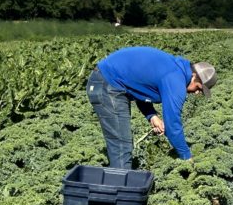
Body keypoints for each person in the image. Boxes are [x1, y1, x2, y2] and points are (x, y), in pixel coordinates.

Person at [87, 46, 217, 169]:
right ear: (193, 76)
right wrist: (186, 156)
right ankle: (119, 187)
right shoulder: (175, 80)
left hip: (109, 81)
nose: (197, 92)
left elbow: (140, 87)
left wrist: (152, 116)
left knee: (122, 144)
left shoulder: (176, 68)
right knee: (121, 146)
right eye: (199, 88)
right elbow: (172, 126)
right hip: (107, 83)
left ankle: (120, 181)